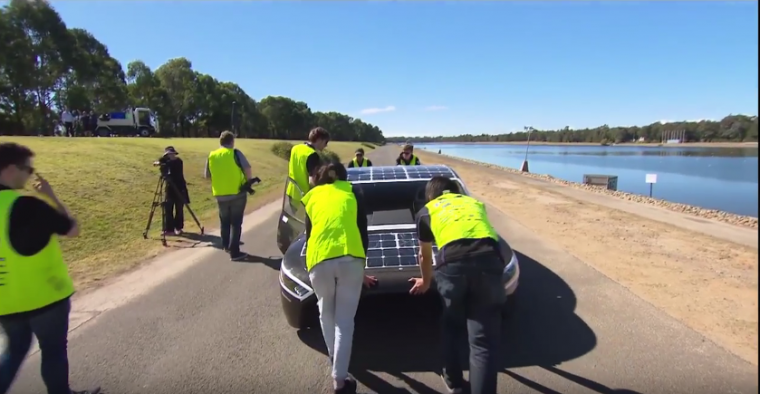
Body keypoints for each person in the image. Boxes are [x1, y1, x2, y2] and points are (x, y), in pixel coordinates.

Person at [0, 142, 100, 394]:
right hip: (45, 295)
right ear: (11, 169)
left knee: (14, 350)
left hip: (5, 301)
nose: (29, 175)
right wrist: (50, 196)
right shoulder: (28, 205)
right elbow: (73, 229)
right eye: (27, 169)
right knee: (53, 351)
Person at [410, 176, 506, 394]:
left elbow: (424, 255)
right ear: (457, 191)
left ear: (430, 195)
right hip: (490, 263)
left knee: (452, 325)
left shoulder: (427, 211)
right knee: (482, 344)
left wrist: (426, 282)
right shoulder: (474, 204)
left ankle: (454, 381)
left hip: (452, 266)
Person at [302, 162, 377, 394]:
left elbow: (309, 233)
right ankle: (340, 380)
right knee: (345, 322)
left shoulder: (311, 196)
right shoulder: (354, 192)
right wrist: (361, 268)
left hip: (319, 258)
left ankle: (335, 360)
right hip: (350, 256)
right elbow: (362, 232)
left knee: (326, 313)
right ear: (344, 177)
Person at [204, 131, 254, 261]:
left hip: (220, 194)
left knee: (224, 221)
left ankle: (226, 245)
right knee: (236, 223)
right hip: (237, 193)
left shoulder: (212, 155)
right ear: (232, 141)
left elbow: (207, 176)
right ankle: (235, 252)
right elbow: (247, 168)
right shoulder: (235, 153)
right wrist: (248, 182)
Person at [287, 127, 330, 208]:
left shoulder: (296, 148)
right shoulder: (312, 155)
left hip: (291, 192)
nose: (326, 145)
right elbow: (312, 181)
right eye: (326, 142)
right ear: (320, 140)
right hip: (304, 197)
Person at [153, 146, 189, 236]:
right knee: (168, 209)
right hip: (169, 189)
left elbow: (174, 168)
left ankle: (178, 228)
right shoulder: (165, 161)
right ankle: (169, 229)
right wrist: (161, 161)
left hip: (179, 188)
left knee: (179, 209)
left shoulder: (178, 161)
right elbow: (161, 162)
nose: (171, 155)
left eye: (172, 154)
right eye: (168, 154)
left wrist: (162, 163)